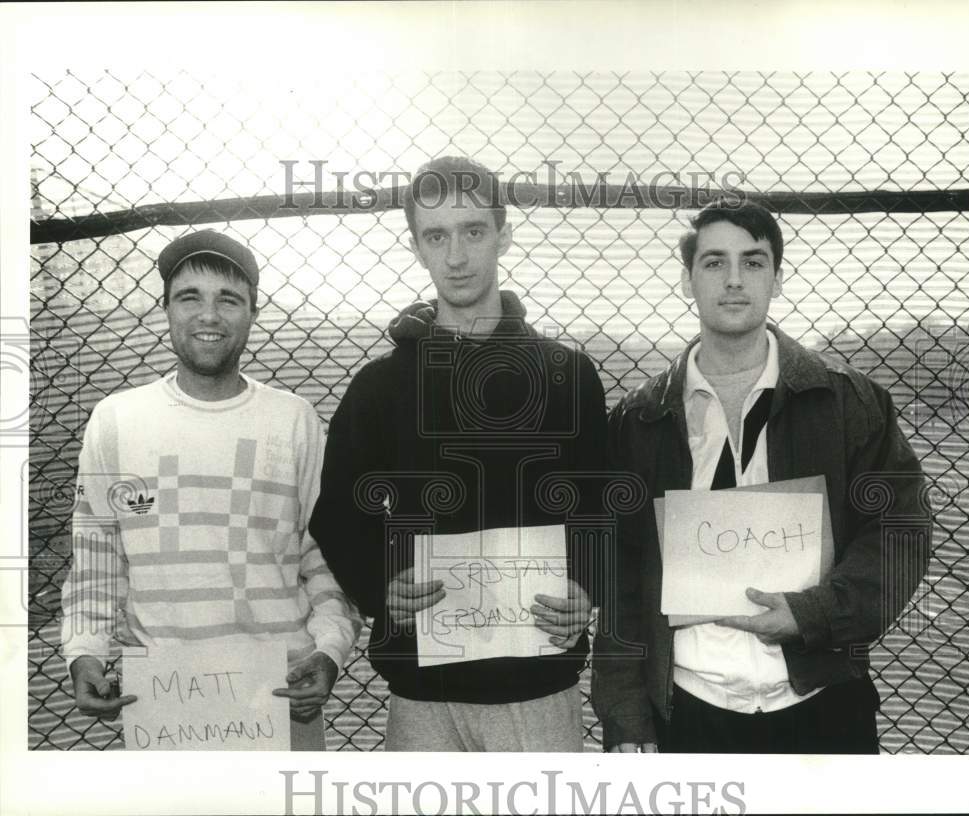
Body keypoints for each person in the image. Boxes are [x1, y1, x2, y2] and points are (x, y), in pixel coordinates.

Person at [592, 199, 930, 754]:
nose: (733, 281)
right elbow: (621, 575)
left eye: (753, 262)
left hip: (820, 701)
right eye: (713, 263)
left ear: (777, 278)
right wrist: (627, 716)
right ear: (687, 280)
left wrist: (813, 612)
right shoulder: (639, 420)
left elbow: (901, 530)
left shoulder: (849, 403)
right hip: (688, 708)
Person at [309, 156, 608, 751]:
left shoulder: (567, 376)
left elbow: (603, 508)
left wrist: (585, 586)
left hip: (537, 683)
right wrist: (380, 586)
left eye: (473, 231)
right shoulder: (380, 387)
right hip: (424, 690)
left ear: (503, 232)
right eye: (436, 236)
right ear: (417, 247)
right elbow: (337, 513)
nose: (456, 256)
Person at [60, 229, 361, 750]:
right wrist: (84, 651)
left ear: (253, 311)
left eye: (228, 299)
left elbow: (325, 555)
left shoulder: (294, 421)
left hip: (279, 697)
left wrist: (329, 651)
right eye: (189, 297)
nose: (208, 315)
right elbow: (98, 556)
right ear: (167, 309)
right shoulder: (116, 421)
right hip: (164, 700)